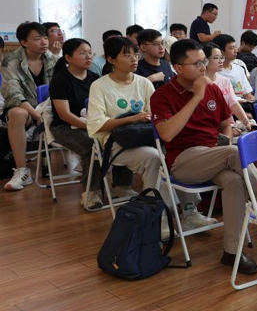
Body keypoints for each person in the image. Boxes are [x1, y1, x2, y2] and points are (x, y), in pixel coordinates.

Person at [152, 39, 257, 275]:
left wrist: (225, 141)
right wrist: (195, 98)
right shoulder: (163, 95)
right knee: (235, 152)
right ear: (178, 68)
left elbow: (225, 125)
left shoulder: (213, 90)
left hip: (215, 154)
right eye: (197, 63)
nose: (204, 67)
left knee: (234, 179)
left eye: (204, 61)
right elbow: (167, 134)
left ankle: (232, 252)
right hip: (184, 161)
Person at [86, 37, 168, 212]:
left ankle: (188, 210)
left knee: (176, 153)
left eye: (136, 55)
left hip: (144, 137)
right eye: (127, 55)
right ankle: (152, 214)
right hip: (114, 142)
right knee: (154, 157)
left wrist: (146, 118)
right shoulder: (99, 86)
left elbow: (155, 114)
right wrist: (133, 118)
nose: (134, 59)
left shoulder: (144, 83)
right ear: (111, 60)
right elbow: (96, 124)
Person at [49, 38, 129, 210]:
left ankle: (122, 187)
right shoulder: (60, 79)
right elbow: (64, 114)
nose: (88, 57)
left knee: (122, 136)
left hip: (92, 122)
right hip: (64, 126)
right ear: (68, 58)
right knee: (93, 145)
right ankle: (92, 192)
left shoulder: (94, 78)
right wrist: (93, 126)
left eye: (90, 52)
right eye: (82, 53)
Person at [1, 22, 56, 190]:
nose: (44, 42)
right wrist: (37, 114)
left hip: (48, 108)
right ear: (24, 42)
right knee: (17, 114)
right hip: (26, 110)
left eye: (45, 37)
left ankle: (86, 162)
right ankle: (22, 170)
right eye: (37, 39)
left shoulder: (53, 59)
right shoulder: (11, 61)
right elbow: (13, 93)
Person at [203, 43, 253, 134]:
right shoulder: (199, 83)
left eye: (221, 57)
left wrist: (246, 121)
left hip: (227, 125)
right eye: (216, 58)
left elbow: (233, 103)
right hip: (212, 128)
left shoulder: (225, 81)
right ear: (205, 61)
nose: (220, 61)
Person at [212, 34, 254, 101]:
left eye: (235, 47)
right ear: (221, 51)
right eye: (232, 48)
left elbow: (247, 95)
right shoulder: (213, 72)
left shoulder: (239, 69)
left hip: (242, 105)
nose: (236, 50)